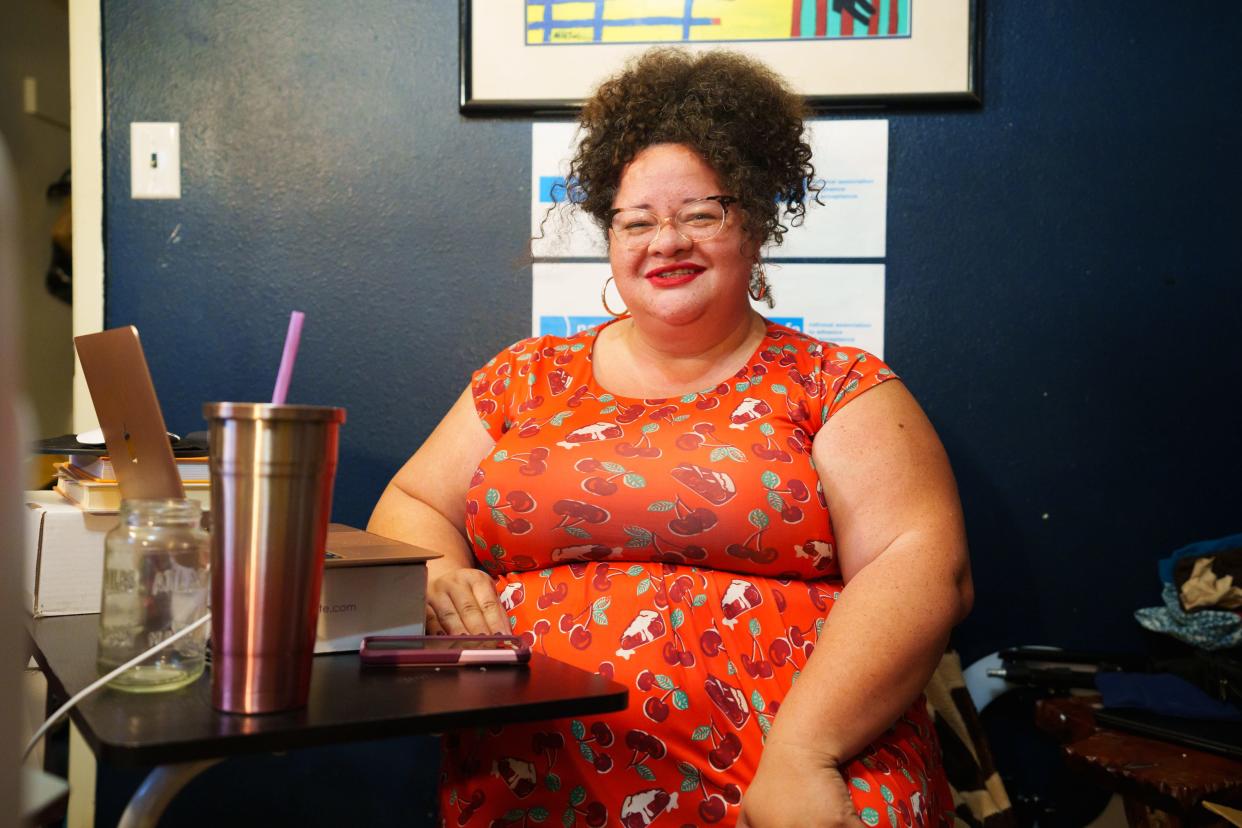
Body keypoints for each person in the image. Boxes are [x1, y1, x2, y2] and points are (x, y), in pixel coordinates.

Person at [369, 48, 972, 828]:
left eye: (700, 213)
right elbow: (412, 500)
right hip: (540, 777)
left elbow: (923, 568)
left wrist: (804, 754)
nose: (666, 240)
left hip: (788, 774)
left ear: (752, 224)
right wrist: (441, 573)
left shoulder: (835, 384)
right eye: (638, 220)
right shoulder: (526, 377)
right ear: (611, 238)